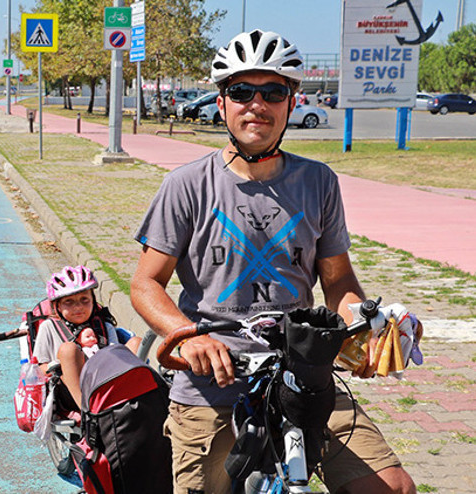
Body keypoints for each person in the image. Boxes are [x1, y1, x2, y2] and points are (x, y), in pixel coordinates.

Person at [130, 29, 417, 494]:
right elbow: (146, 283)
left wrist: (364, 324)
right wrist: (185, 336)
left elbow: (338, 277)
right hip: (213, 381)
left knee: (392, 487)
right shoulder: (186, 185)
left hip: (302, 370)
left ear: (291, 100)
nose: (256, 104)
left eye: (273, 91)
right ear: (221, 103)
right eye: (241, 91)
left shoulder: (318, 182)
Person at [32, 265, 140, 409]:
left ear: (93, 300)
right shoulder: (49, 327)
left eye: (85, 300)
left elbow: (116, 357)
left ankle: (136, 399)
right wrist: (59, 366)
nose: (78, 307)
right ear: (57, 306)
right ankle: (88, 412)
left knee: (136, 343)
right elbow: (39, 368)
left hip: (106, 384)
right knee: (68, 350)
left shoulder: (103, 326)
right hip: (70, 391)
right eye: (69, 302)